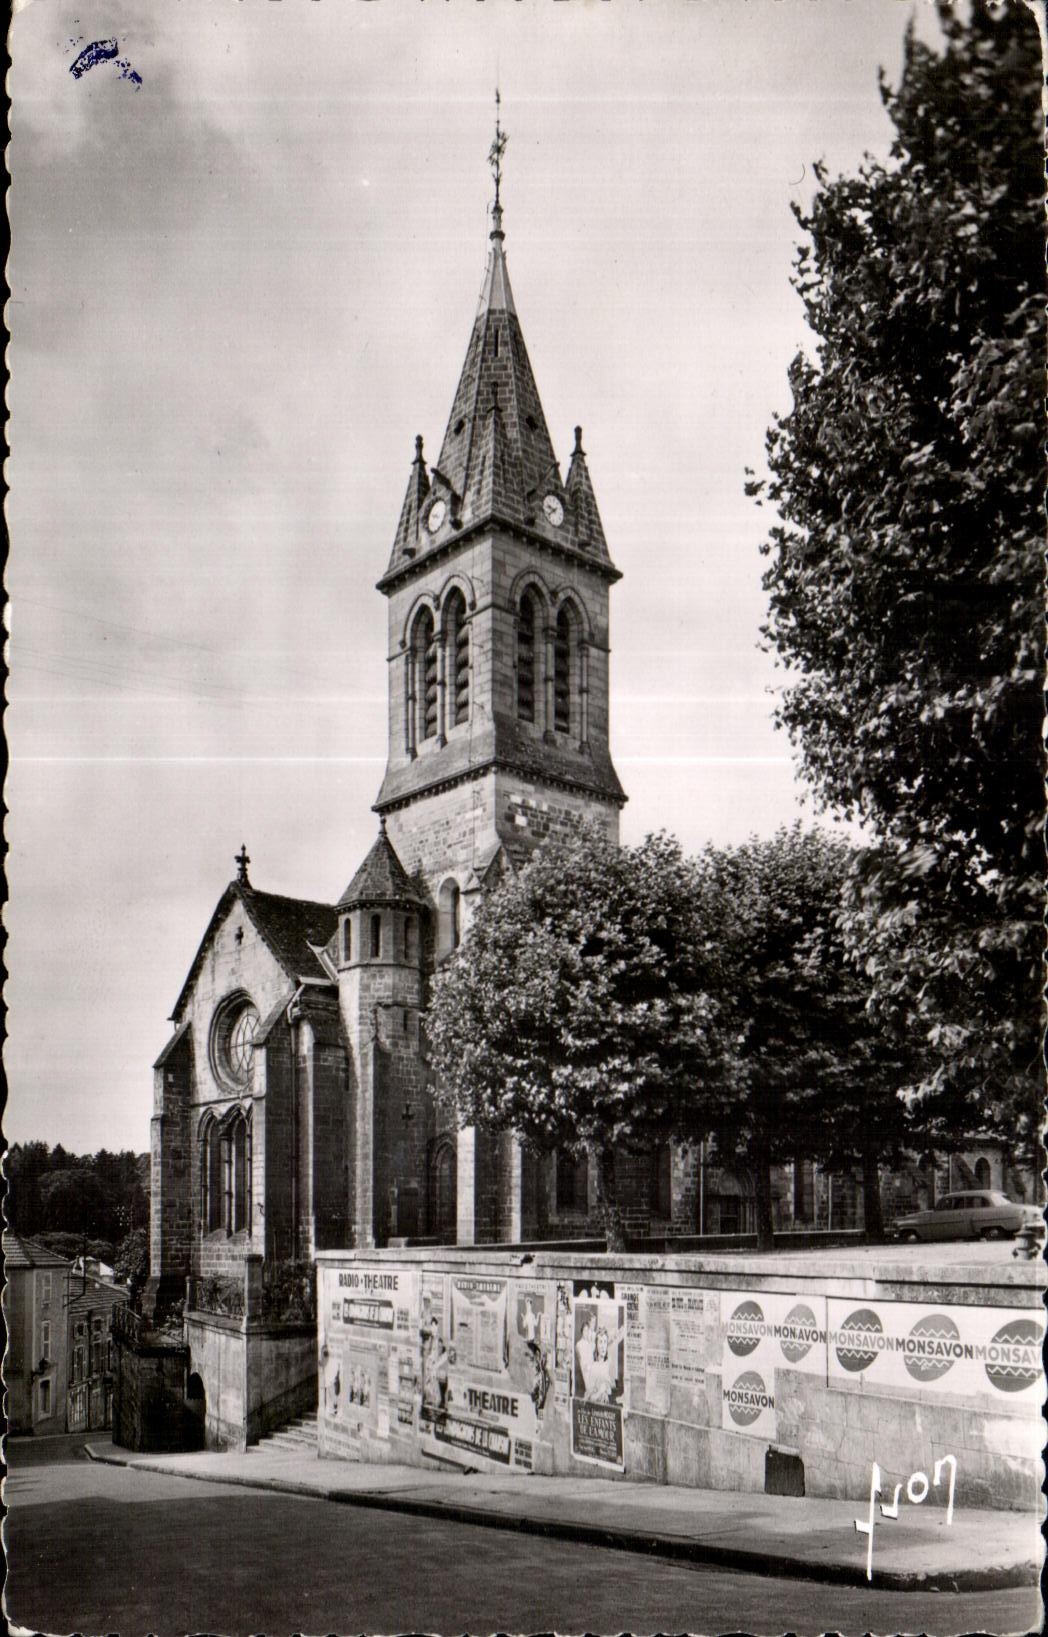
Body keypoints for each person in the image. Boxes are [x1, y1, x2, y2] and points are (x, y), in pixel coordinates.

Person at [585, 1320, 626, 1405]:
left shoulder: (606, 1361)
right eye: (600, 1342)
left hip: (605, 1403)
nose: (603, 1346)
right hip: (595, 1407)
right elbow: (589, 1398)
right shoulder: (593, 1366)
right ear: (596, 1345)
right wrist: (600, 1391)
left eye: (605, 1342)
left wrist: (625, 1327)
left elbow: (616, 1338)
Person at [575, 1311, 597, 1397]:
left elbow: (592, 1353)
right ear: (582, 1331)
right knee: (589, 1388)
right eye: (585, 1330)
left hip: (591, 1367)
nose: (586, 1332)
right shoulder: (579, 1344)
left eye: (587, 1330)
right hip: (586, 1369)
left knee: (592, 1390)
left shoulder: (589, 1342)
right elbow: (582, 1360)